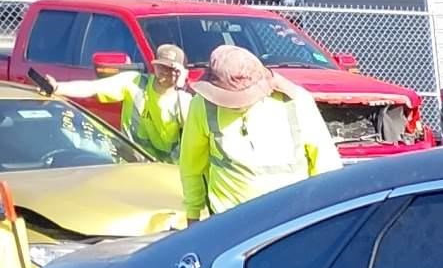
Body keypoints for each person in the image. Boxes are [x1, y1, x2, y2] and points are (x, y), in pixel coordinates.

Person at [178, 44, 341, 222]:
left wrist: (327, 215)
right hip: (229, 222)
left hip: (291, 220)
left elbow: (326, 163)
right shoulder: (201, 105)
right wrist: (193, 215)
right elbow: (191, 165)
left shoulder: (297, 101)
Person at [28, 43, 193, 161]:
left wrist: (180, 88)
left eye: (172, 69)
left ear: (182, 72)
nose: (165, 72)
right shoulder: (134, 82)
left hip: (169, 169)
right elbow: (92, 88)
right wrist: (57, 87)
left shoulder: (185, 99)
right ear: (153, 66)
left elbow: (190, 129)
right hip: (132, 162)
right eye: (161, 66)